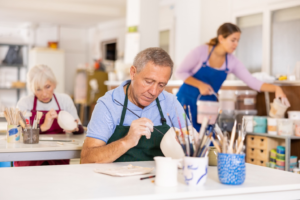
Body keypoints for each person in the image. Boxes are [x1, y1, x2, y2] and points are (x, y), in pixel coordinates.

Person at [175, 23, 290, 132]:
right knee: (182, 138)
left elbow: (252, 81)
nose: (236, 44)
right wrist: (200, 84)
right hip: (186, 101)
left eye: (238, 41)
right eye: (233, 40)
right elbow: (180, 72)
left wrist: (276, 89)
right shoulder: (201, 52)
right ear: (221, 39)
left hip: (208, 106)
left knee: (206, 143)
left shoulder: (232, 62)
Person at [81, 47, 188, 163]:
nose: (154, 91)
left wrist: (187, 144)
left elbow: (192, 144)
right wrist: (126, 141)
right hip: (116, 179)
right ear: (133, 73)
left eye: (161, 85)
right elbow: (87, 159)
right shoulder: (108, 104)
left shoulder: (171, 103)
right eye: (148, 82)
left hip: (157, 178)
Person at [15, 65, 84, 166]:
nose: (44, 94)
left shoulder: (64, 100)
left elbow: (80, 129)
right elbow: (18, 134)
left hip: (58, 155)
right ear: (32, 89)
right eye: (38, 89)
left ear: (54, 84)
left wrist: (74, 128)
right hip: (30, 156)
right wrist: (43, 127)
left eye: (48, 87)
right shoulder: (25, 103)